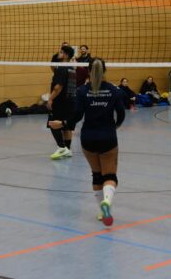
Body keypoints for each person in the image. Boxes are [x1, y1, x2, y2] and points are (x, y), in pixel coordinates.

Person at [48, 58, 125, 226]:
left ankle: (102, 212)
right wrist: (116, 125)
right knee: (110, 176)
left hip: (88, 137)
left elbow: (77, 115)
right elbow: (121, 113)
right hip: (108, 136)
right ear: (105, 70)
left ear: (89, 71)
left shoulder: (82, 91)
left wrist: (63, 123)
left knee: (97, 175)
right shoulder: (114, 90)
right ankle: (107, 202)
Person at [46, 45, 77, 160]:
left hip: (60, 102)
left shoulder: (62, 69)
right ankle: (67, 150)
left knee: (52, 123)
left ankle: (61, 147)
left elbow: (58, 87)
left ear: (66, 55)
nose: (58, 54)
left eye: (60, 52)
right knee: (66, 126)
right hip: (70, 101)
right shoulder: (72, 69)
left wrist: (50, 99)